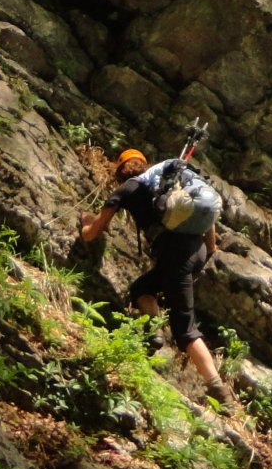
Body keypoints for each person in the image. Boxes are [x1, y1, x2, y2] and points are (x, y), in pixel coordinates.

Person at [76, 148, 234, 405]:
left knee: (185, 330)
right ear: (146, 165)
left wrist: (85, 223)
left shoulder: (127, 189)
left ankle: (219, 390)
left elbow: (92, 233)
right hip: (196, 250)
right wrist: (204, 252)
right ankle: (153, 333)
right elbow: (210, 235)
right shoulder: (170, 184)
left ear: (119, 172)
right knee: (142, 289)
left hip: (175, 255)